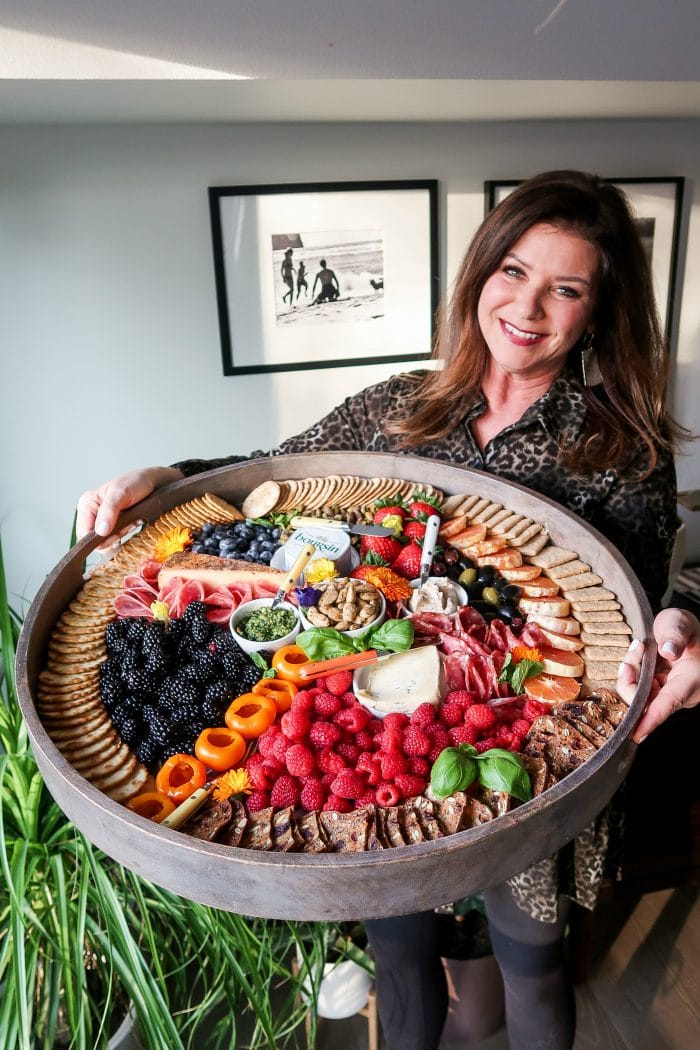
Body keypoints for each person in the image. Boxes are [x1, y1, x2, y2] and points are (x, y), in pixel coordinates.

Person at [77, 170, 688, 1050]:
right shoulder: (404, 404)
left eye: (567, 288)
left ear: (597, 311)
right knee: (403, 964)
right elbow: (272, 469)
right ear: (480, 273)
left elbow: (648, 601)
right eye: (513, 271)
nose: (528, 305)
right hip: (384, 762)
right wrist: (166, 476)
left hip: (530, 753)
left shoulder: (624, 448)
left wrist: (680, 629)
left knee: (532, 970)